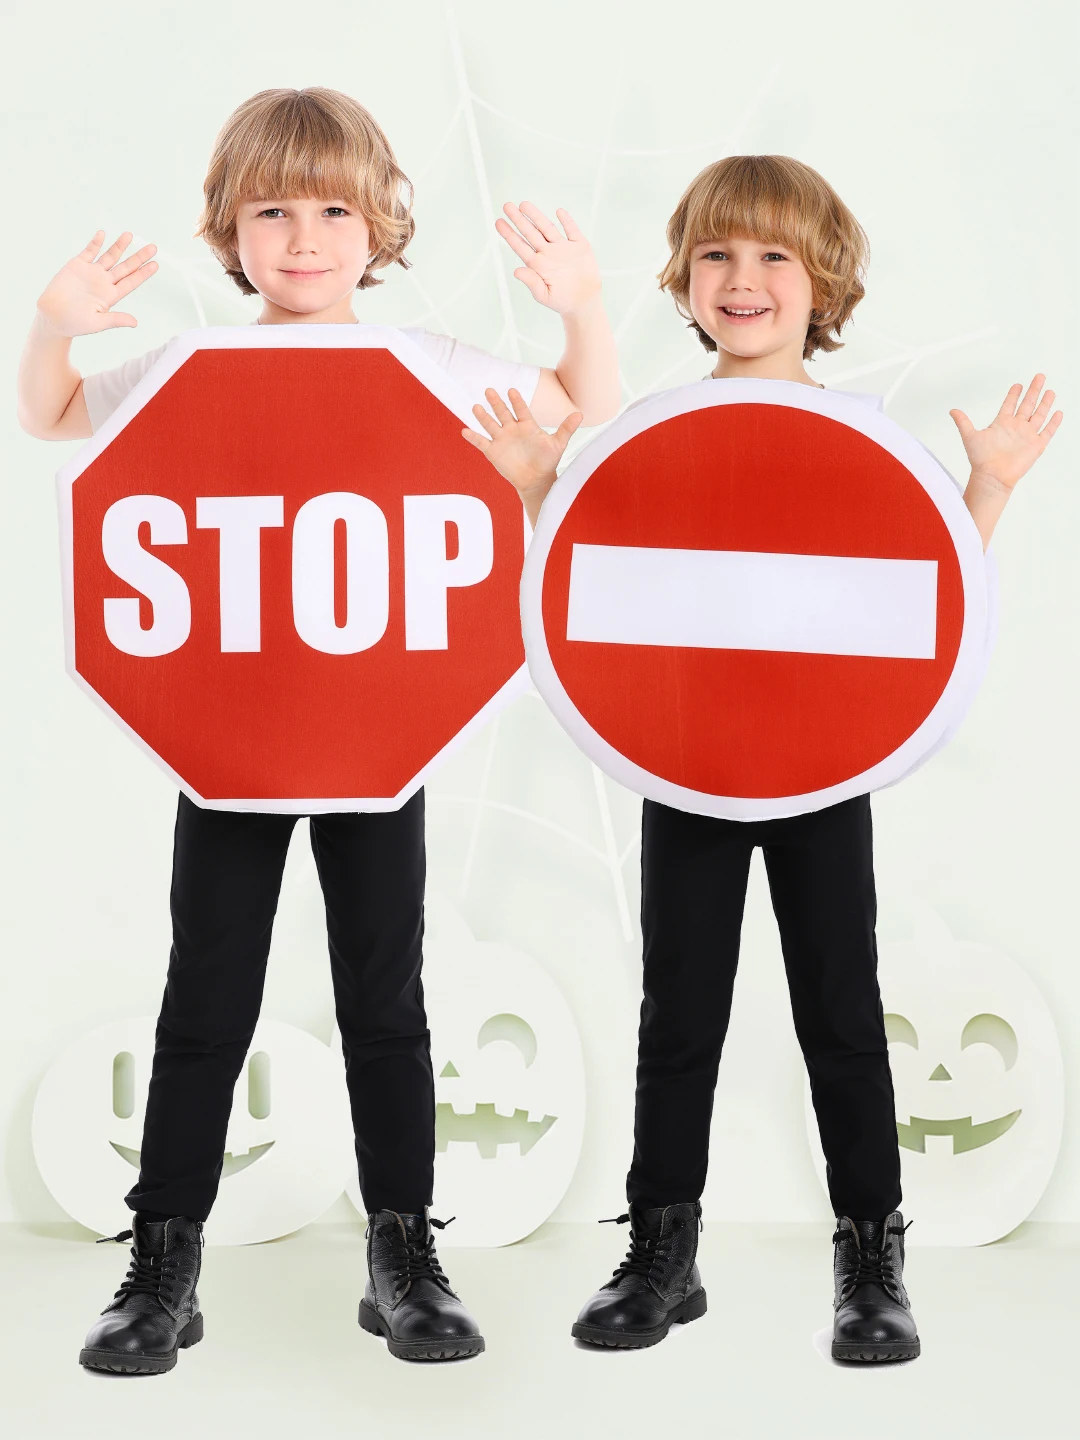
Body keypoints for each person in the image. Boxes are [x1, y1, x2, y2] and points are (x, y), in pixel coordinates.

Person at [17, 85, 619, 1372]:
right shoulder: (188, 367)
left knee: (384, 1002)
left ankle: (404, 1253)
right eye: (272, 210)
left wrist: (580, 304)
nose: (303, 237)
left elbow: (580, 409)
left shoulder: (429, 362)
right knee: (205, 1000)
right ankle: (160, 1266)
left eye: (334, 208)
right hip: (227, 746)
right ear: (228, 231)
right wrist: (53, 327)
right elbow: (57, 419)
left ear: (381, 221)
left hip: (374, 740)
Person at [464, 153, 1061, 1362]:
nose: (744, 279)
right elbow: (604, 596)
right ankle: (661, 1255)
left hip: (818, 769)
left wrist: (984, 489)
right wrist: (541, 491)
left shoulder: (856, 438)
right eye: (717, 256)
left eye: (774, 254)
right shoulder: (651, 434)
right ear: (683, 281)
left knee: (839, 1011)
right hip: (688, 762)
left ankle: (870, 1266)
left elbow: (920, 610)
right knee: (676, 1012)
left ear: (823, 282)